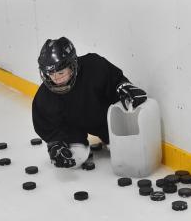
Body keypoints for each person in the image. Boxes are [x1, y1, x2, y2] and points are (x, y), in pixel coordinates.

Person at [32, 37, 147, 169]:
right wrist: (56, 143)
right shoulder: (44, 96)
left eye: (61, 72)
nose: (56, 79)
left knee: (128, 153)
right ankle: (76, 144)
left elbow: (114, 80)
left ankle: (110, 138)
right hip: (72, 129)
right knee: (75, 157)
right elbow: (47, 125)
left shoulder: (94, 66)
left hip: (103, 119)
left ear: (72, 65)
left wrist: (123, 86)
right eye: (50, 73)